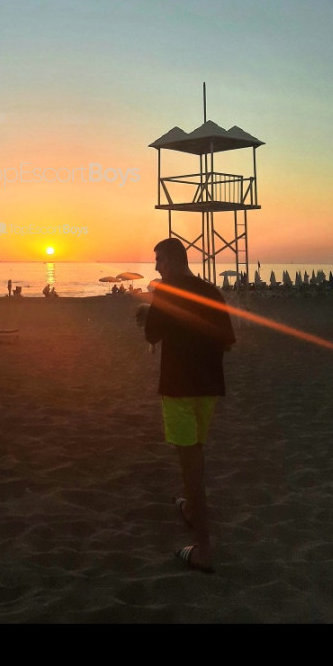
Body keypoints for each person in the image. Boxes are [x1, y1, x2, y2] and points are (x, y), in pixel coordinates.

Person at [138, 238, 235, 574]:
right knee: (195, 451)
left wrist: (151, 312)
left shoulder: (166, 291)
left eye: (160, 260)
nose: (156, 267)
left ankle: (204, 550)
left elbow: (151, 335)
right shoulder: (211, 291)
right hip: (209, 387)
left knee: (190, 464)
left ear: (175, 260)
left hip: (179, 388)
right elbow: (227, 341)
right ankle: (191, 510)